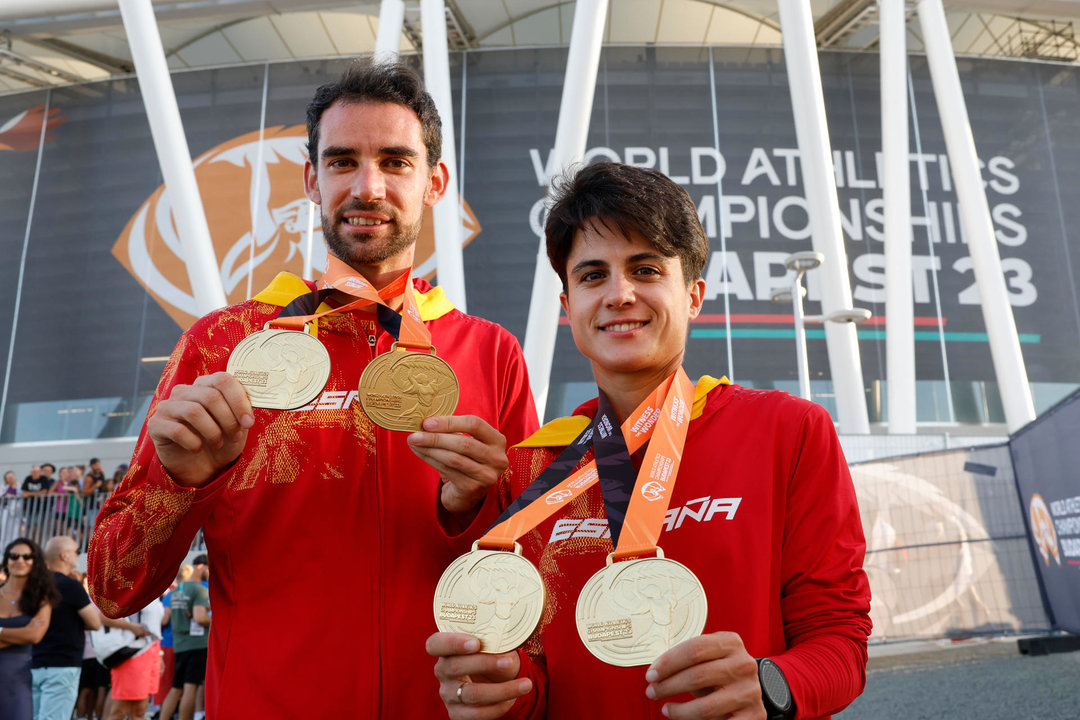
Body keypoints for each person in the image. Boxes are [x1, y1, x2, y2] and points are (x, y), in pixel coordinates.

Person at [87, 59, 539, 719]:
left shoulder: (492, 352)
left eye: (395, 162)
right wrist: (178, 487)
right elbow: (111, 586)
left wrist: (477, 505)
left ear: (435, 182)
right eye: (342, 161)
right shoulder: (222, 346)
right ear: (310, 179)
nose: (368, 186)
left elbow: (538, 570)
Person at [428, 162, 872, 720]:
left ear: (693, 295)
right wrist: (498, 696)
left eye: (645, 269)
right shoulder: (534, 469)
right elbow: (539, 683)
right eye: (592, 276)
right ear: (568, 309)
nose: (619, 294)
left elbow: (841, 640)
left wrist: (772, 684)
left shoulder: (788, 430)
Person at [32, 536, 102, 720]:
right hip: (62, 665)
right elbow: (95, 622)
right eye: (76, 552)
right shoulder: (71, 586)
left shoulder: (34, 584)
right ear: (64, 556)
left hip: (35, 661)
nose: (78, 556)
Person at [0, 538, 59, 720]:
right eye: (14, 556)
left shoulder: (41, 599)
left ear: (35, 562)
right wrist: (19, 635)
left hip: (18, 681)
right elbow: (27, 633)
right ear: (6, 561)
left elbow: (34, 635)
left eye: (27, 556)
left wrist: (0, 632)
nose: (20, 561)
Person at [102, 595, 164, 720]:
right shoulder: (130, 587)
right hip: (132, 653)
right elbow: (102, 616)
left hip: (151, 652)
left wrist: (159, 655)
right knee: (120, 711)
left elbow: (154, 628)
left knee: (140, 711)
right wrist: (132, 627)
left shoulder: (154, 591)